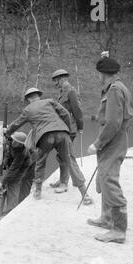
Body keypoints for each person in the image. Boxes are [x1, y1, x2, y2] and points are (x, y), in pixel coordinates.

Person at [86, 54, 133, 243]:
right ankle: (107, 219)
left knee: (109, 181)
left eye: (98, 73)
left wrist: (97, 143)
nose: (97, 76)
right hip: (115, 140)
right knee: (104, 178)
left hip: (113, 140)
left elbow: (113, 123)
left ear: (103, 73)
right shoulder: (116, 87)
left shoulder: (114, 90)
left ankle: (119, 231)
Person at [4, 87, 72, 200]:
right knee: (65, 158)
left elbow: (17, 124)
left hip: (46, 136)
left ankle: (38, 191)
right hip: (63, 133)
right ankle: (63, 184)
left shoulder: (28, 109)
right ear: (39, 96)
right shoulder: (50, 101)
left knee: (41, 162)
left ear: (28, 99)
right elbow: (66, 114)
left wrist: (8, 132)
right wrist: (67, 129)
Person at [50, 69, 93, 205]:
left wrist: (80, 127)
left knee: (66, 155)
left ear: (62, 79)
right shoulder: (62, 92)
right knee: (61, 155)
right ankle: (63, 181)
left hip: (70, 128)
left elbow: (77, 110)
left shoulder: (71, 91)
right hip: (61, 128)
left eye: (55, 80)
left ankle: (66, 184)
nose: (54, 83)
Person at [0, 132, 36, 213]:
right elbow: (8, 154)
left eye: (18, 143)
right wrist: (4, 164)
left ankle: (16, 210)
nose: (14, 143)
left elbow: (14, 169)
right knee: (10, 182)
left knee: (18, 183)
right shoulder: (9, 142)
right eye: (14, 141)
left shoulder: (23, 152)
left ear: (21, 144)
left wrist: (2, 182)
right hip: (15, 163)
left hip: (27, 165)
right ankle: (12, 207)